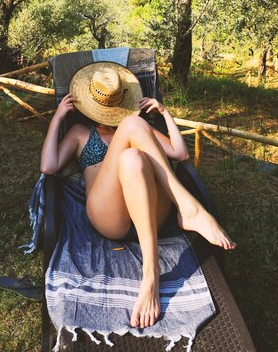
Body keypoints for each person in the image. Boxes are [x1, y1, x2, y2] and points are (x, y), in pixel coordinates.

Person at [40, 62, 236, 331]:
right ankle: (188, 208)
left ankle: (151, 271)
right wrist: (58, 118)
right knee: (132, 132)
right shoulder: (81, 133)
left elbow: (180, 153)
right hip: (110, 217)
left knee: (133, 156)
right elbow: (49, 166)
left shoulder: (141, 128)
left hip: (150, 213)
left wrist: (166, 114)